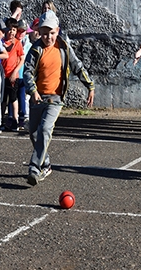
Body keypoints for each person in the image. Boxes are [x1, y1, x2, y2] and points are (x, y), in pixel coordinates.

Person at [24, 10, 94, 186]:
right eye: (45, 34)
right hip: (37, 98)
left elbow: (77, 66)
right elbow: (27, 72)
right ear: (39, 32)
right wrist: (32, 91)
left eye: (52, 33)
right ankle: (46, 163)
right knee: (34, 133)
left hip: (55, 98)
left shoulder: (63, 47)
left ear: (58, 30)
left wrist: (90, 86)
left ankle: (34, 167)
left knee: (45, 129)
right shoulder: (35, 50)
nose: (49, 37)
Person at [1, 17, 25, 131]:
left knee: (13, 98)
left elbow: (22, 59)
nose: (12, 32)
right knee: (2, 99)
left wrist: (15, 72)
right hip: (2, 75)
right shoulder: (0, 42)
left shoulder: (17, 43)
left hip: (12, 76)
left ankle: (15, 120)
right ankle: (0, 120)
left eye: (14, 30)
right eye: (10, 29)